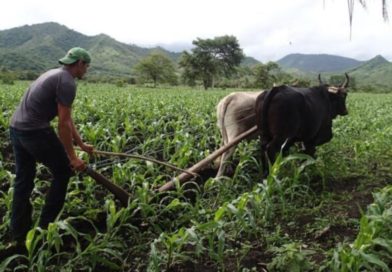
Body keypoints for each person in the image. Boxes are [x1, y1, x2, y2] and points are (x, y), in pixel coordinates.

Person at [7, 47, 94, 249]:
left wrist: (80, 144)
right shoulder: (67, 82)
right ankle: (43, 232)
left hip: (17, 129)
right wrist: (72, 157)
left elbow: (67, 119)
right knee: (63, 172)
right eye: (87, 66)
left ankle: (19, 234)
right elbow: (62, 124)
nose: (86, 70)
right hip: (35, 131)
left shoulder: (54, 74)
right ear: (79, 63)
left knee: (23, 180)